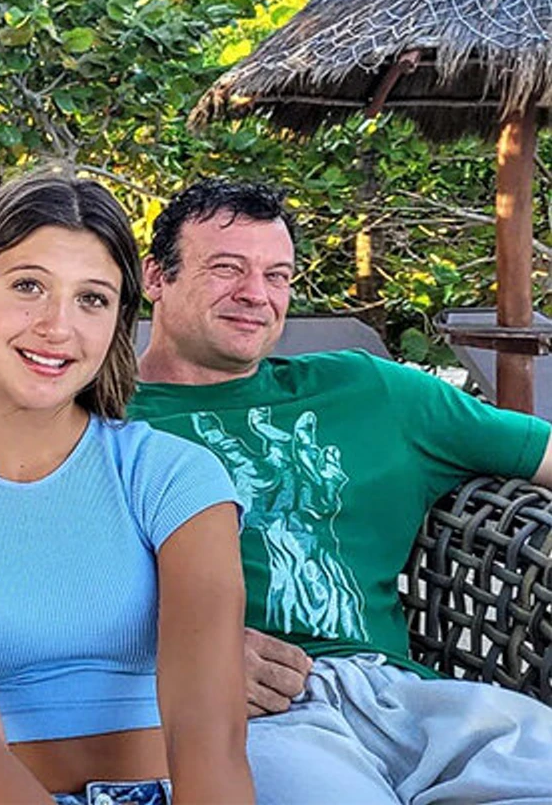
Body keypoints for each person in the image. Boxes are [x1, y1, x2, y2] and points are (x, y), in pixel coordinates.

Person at [130, 178, 552, 805]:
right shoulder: (101, 425)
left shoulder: (372, 390)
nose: (256, 294)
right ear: (155, 277)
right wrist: (175, 656)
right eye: (227, 269)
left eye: (277, 276)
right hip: (254, 714)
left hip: (410, 702)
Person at [0, 173, 252, 805]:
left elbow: (209, 734)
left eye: (92, 299)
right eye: (29, 286)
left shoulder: (174, 475)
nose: (58, 326)